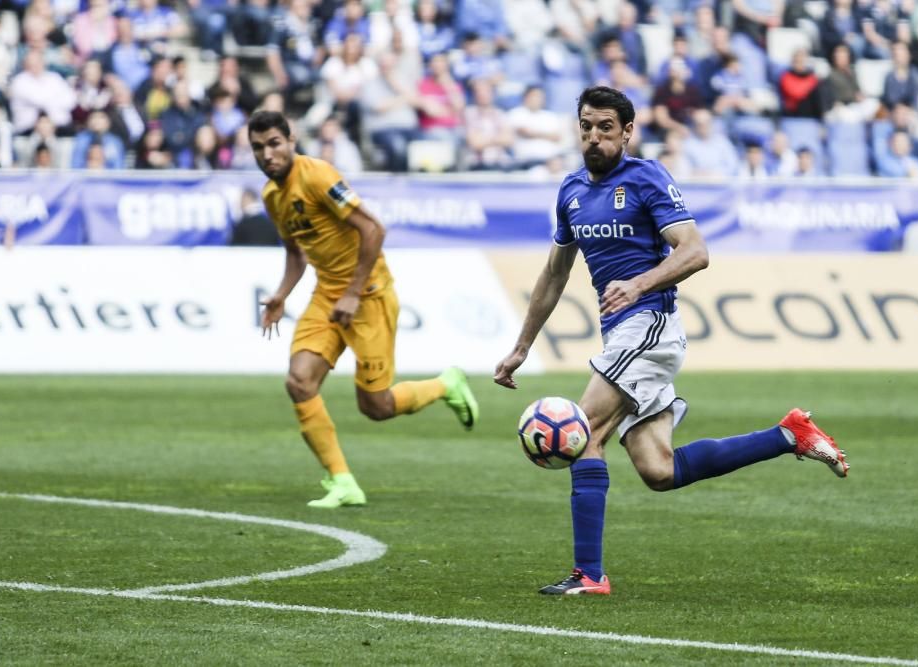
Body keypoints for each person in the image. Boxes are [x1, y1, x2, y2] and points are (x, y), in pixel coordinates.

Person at [493, 86, 849, 596]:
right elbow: (554, 273)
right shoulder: (570, 190)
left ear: (628, 132)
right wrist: (523, 346)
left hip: (651, 325)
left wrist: (639, 284)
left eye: (606, 128)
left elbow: (696, 251)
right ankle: (789, 435)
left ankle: (589, 574)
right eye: (587, 126)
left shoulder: (647, 177)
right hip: (620, 333)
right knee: (659, 470)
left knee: (584, 431)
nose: (594, 137)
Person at [248, 110, 479, 509]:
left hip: (368, 295)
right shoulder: (272, 195)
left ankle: (446, 385)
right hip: (327, 296)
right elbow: (294, 252)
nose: (267, 154)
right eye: (257, 148)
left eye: (274, 143)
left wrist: (353, 292)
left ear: (291, 140)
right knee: (299, 382)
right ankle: (343, 482)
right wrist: (283, 293)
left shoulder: (319, 175)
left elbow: (373, 229)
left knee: (376, 407)